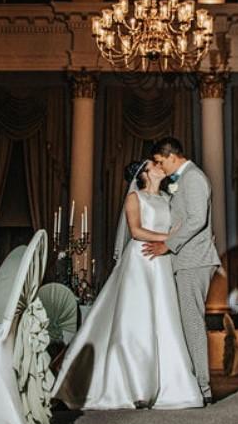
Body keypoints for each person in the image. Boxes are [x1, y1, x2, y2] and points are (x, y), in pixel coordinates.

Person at [50, 159, 202, 410]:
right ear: (144, 173)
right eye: (154, 164)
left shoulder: (167, 199)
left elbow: (179, 226)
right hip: (140, 261)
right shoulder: (135, 198)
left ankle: (169, 384)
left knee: (164, 318)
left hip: (161, 262)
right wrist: (170, 238)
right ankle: (133, 385)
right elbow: (137, 231)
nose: (159, 165)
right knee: (135, 320)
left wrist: (177, 239)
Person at [142, 136, 220, 404]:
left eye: (160, 161)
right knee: (185, 321)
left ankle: (203, 387)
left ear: (172, 156)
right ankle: (192, 382)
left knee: (192, 321)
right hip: (185, 259)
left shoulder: (194, 178)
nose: (159, 167)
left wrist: (168, 245)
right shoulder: (180, 181)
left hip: (194, 260)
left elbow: (198, 219)